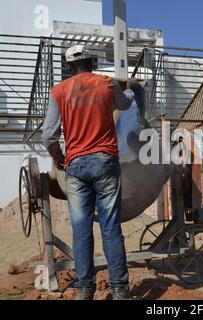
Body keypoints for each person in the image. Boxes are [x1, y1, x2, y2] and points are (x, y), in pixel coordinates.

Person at [42, 44, 138, 300]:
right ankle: (119, 290)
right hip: (105, 163)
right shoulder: (107, 84)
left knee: (82, 230)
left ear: (69, 67)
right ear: (92, 63)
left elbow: (48, 135)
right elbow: (126, 105)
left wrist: (60, 158)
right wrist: (129, 87)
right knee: (110, 227)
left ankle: (84, 290)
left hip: (75, 167)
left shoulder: (59, 91)